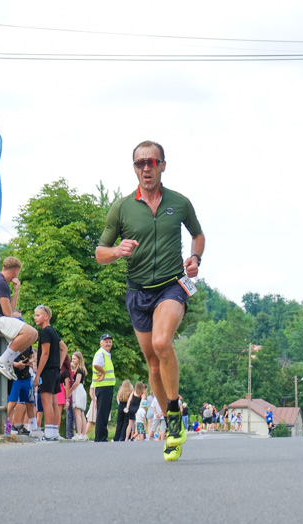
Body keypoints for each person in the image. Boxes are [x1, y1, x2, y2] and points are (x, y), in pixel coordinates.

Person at [95, 140, 205, 461]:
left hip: (172, 286)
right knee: (153, 365)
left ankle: (173, 413)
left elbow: (198, 234)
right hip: (137, 293)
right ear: (134, 168)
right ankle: (172, 419)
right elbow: (100, 252)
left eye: (152, 162)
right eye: (140, 163)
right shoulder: (122, 208)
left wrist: (195, 257)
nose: (146, 168)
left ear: (162, 165)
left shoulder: (180, 203)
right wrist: (117, 251)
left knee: (161, 342)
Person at [0, 257, 39, 382]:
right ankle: (3, 360)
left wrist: (16, 291)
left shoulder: (1, 281)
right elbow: (8, 313)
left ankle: (7, 361)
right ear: (16, 271)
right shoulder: (0, 282)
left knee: (34, 335)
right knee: (30, 332)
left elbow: (10, 310)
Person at [34, 305, 68, 441]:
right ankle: (53, 432)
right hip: (55, 371)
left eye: (38, 315)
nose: (35, 317)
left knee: (46, 402)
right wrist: (58, 365)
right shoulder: (53, 332)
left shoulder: (45, 332)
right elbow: (64, 348)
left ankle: (48, 433)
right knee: (54, 403)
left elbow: (45, 353)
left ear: (46, 316)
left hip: (47, 371)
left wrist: (38, 374)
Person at [92, 333, 116, 442]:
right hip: (103, 386)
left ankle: (102, 436)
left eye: (110, 341)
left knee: (104, 412)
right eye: (106, 341)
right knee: (102, 413)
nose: (108, 343)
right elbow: (96, 365)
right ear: (100, 343)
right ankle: (100, 437)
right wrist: (103, 372)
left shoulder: (105, 354)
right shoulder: (101, 353)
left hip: (106, 386)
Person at [69, 352, 89, 441]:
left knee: (77, 413)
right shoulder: (81, 369)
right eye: (72, 359)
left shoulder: (79, 370)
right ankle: (84, 434)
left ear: (79, 360)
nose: (72, 361)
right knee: (81, 413)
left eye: (74, 359)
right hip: (81, 390)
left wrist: (70, 391)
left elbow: (77, 382)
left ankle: (79, 433)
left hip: (78, 391)